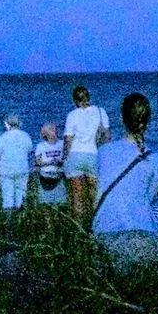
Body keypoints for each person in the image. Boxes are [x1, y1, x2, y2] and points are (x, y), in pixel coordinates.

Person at [92, 93, 158, 235]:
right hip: (142, 230)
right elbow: (146, 201)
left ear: (121, 119)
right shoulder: (156, 160)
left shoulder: (103, 151)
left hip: (102, 229)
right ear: (148, 122)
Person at [63, 85, 110, 217]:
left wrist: (64, 156)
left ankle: (79, 228)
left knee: (77, 197)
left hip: (75, 155)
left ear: (75, 100)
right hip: (93, 155)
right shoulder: (101, 112)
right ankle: (95, 226)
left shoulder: (72, 115)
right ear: (88, 97)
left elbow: (68, 139)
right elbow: (107, 136)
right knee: (95, 195)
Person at [0, 114, 34, 212]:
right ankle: (20, 218)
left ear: (7, 124)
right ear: (19, 124)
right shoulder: (25, 136)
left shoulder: (3, 137)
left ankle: (9, 222)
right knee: (21, 195)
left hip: (5, 170)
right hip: (22, 168)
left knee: (7, 197)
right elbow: (30, 150)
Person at [34, 122, 66, 206]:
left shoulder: (62, 143)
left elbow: (67, 157)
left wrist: (60, 162)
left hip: (59, 174)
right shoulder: (40, 146)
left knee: (60, 202)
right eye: (51, 130)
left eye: (55, 129)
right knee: (45, 202)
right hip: (45, 174)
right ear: (45, 134)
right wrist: (49, 162)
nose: (54, 131)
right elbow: (38, 162)